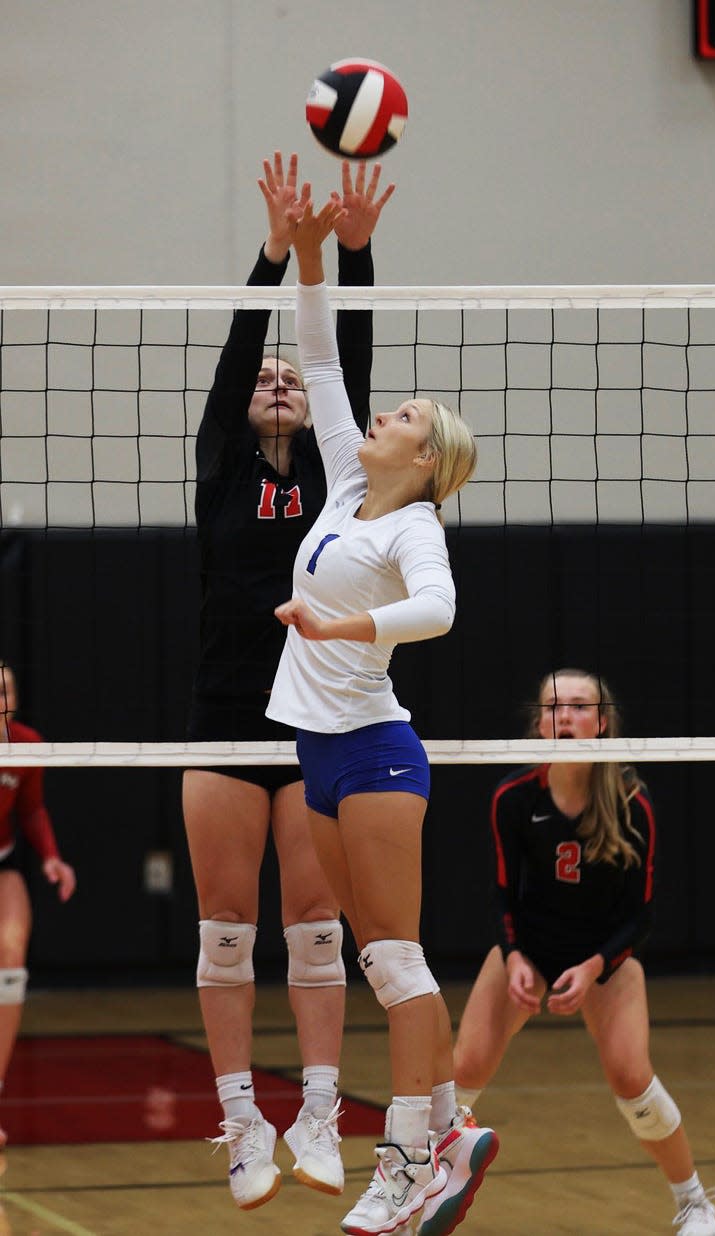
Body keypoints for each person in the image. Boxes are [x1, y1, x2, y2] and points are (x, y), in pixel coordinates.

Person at [266, 197, 497, 1236]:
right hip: (318, 754)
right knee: (375, 954)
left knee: (396, 959)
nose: (380, 414)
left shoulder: (412, 523)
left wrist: (337, 630)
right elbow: (318, 365)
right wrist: (308, 257)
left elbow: (440, 612)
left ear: (425, 457)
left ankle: (407, 1162)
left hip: (375, 755)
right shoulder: (345, 491)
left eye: (401, 415)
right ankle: (447, 1128)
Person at [182, 152, 395, 1211]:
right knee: (226, 932)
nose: (276, 381)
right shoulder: (220, 465)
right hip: (225, 718)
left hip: (314, 715)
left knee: (315, 930)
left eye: (285, 380)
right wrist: (273, 256)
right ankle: (238, 1122)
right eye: (266, 381)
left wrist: (350, 251)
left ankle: (318, 1111)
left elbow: (341, 358)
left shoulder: (337, 476)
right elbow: (235, 355)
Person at [453, 667, 715, 1236]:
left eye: (579, 707)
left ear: (602, 723)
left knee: (632, 1082)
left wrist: (597, 965)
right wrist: (517, 955)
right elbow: (501, 891)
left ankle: (695, 1203)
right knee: (462, 1071)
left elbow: (642, 914)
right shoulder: (514, 798)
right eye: (554, 707)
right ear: (538, 723)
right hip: (530, 949)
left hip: (604, 956)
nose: (566, 716)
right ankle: (411, 1194)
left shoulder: (631, 803)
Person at [0, 661, 76, 1147]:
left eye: (5, 688)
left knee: (11, 950)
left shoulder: (27, 743)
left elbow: (31, 809)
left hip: (4, 863)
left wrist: (52, 858)